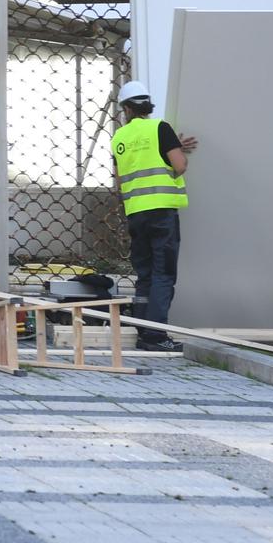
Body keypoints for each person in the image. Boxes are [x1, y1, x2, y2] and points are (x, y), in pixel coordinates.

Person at [109, 81, 197, 353]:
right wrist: (176, 149)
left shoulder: (119, 138)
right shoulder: (161, 128)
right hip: (162, 211)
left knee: (145, 273)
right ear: (148, 104)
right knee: (163, 274)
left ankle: (144, 331)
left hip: (136, 213)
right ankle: (157, 335)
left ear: (126, 108)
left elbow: (122, 177)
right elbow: (178, 165)